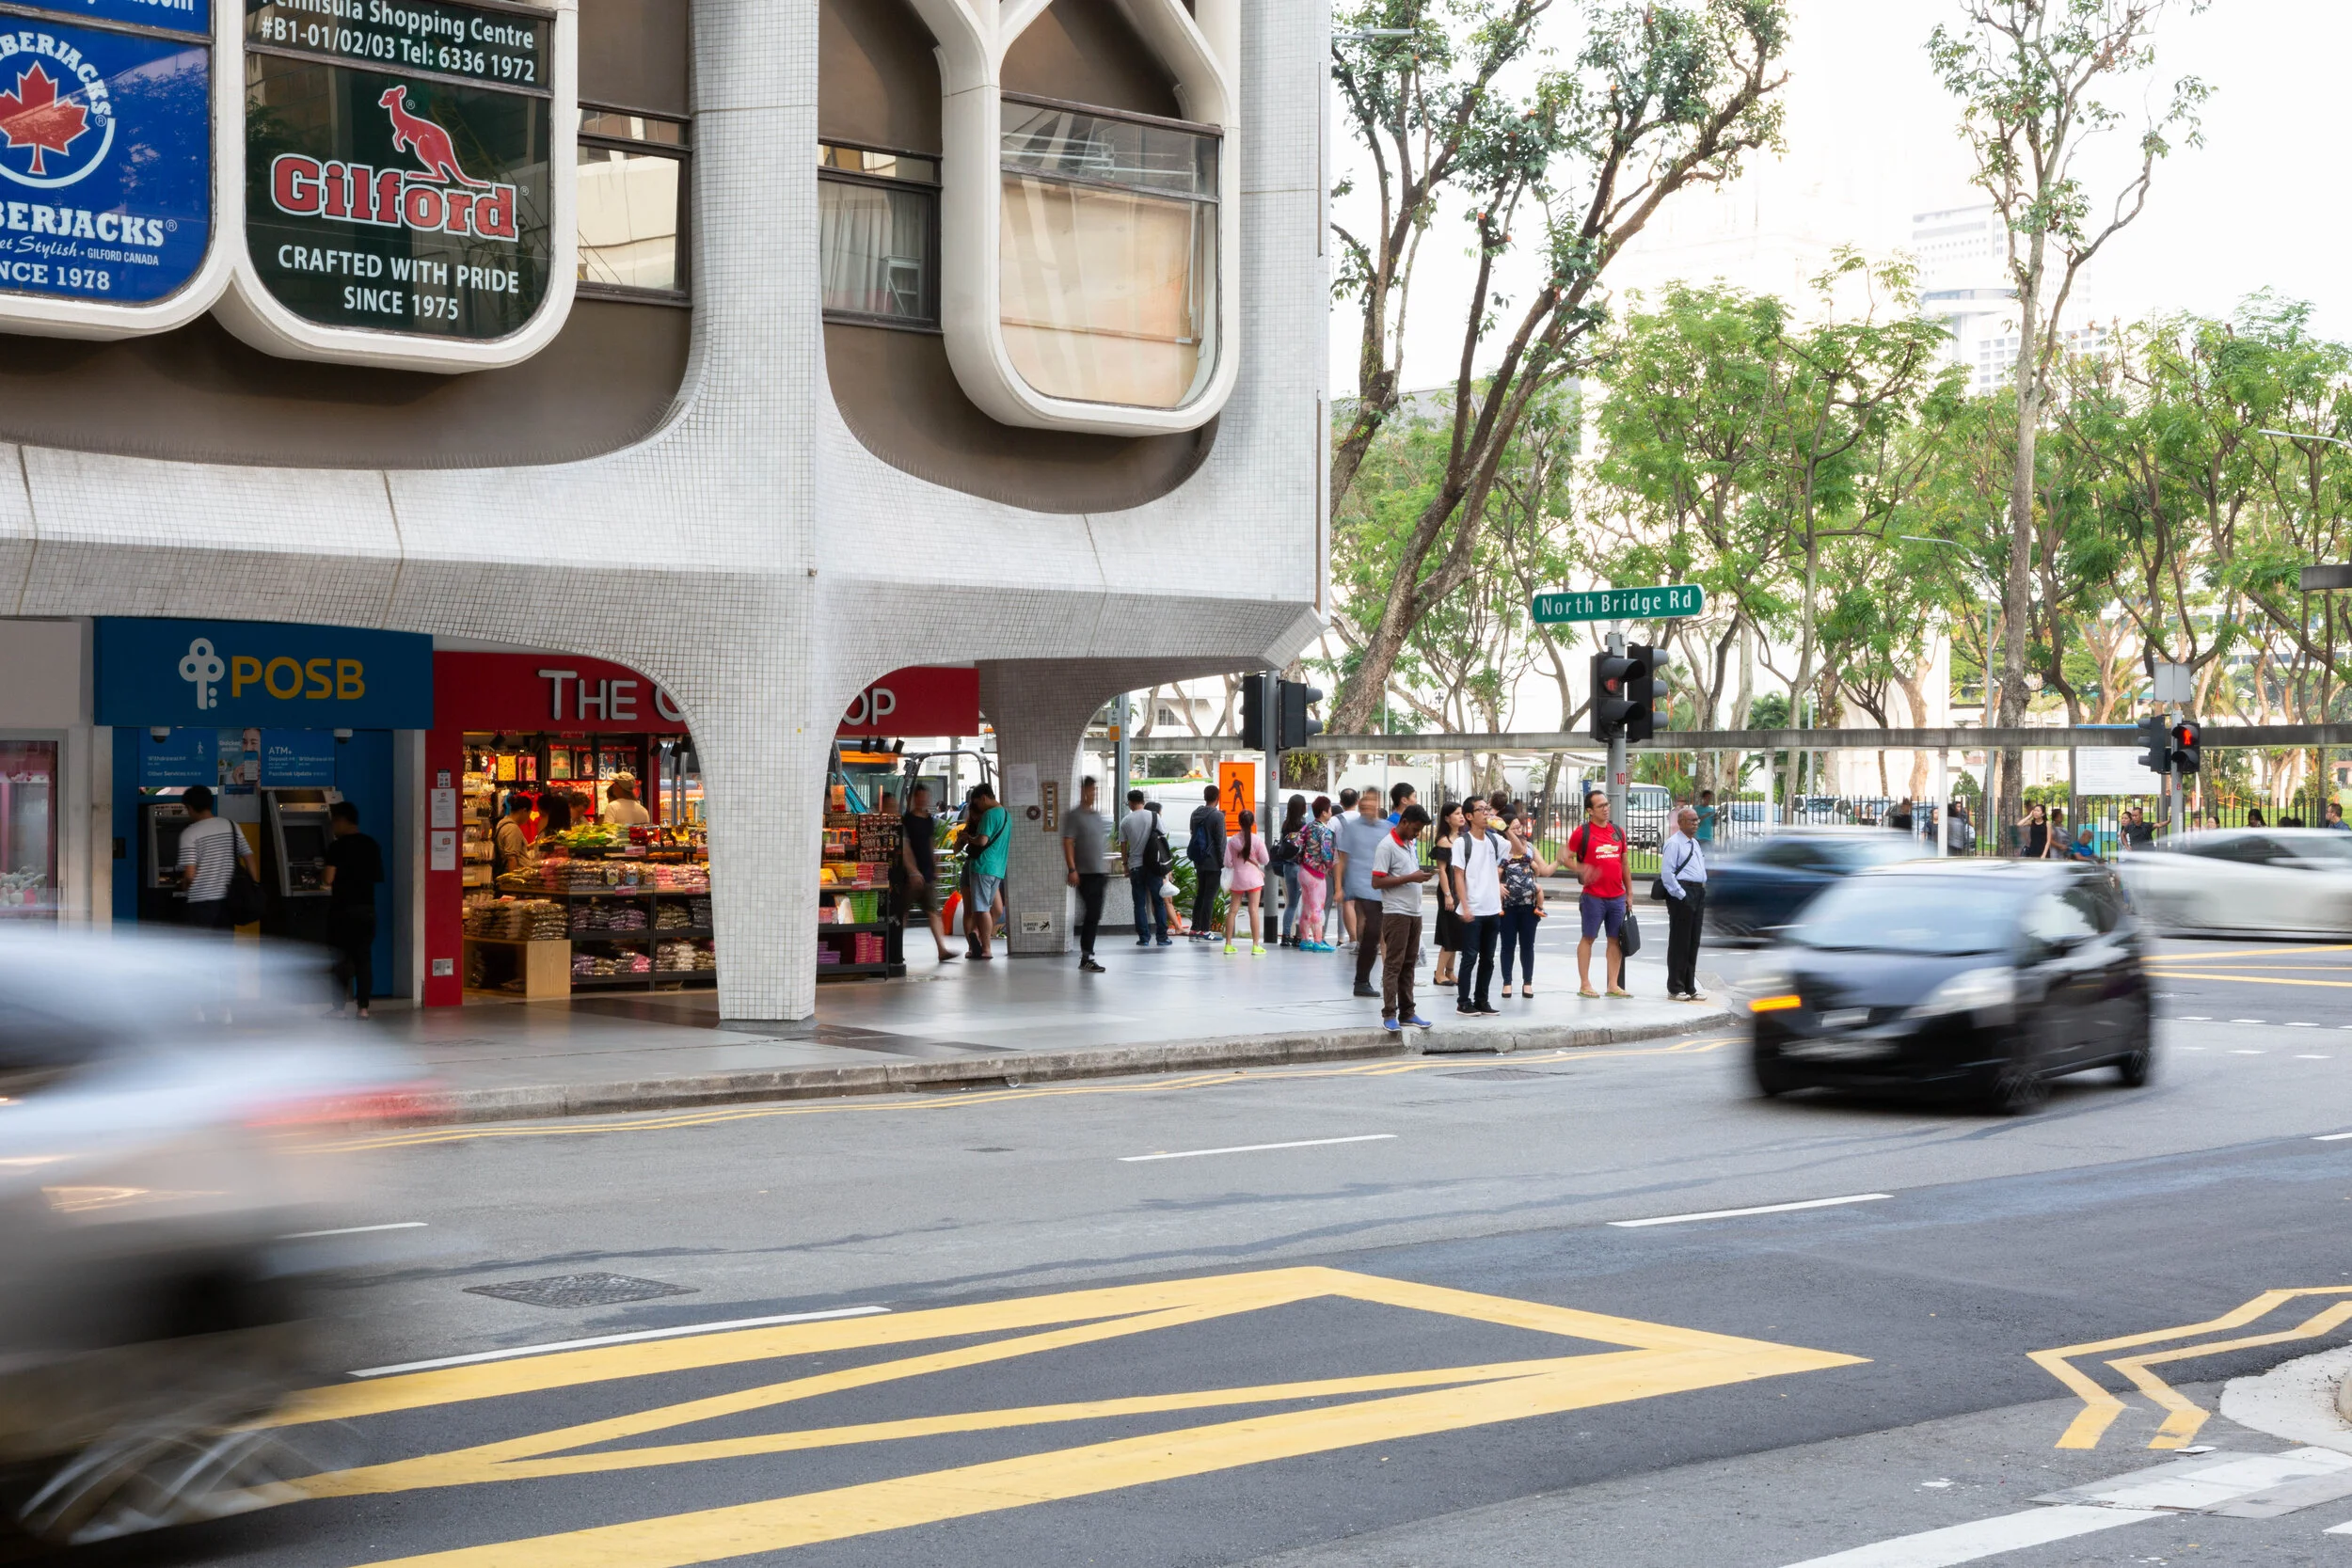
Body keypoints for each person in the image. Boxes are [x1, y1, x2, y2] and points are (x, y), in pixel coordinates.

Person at [1372, 803, 1437, 1032]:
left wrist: (1416, 877)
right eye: (1416, 829)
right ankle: (1390, 1013)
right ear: (1405, 822)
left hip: (1414, 913)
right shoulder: (1386, 846)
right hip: (1396, 913)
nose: (1417, 834)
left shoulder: (1409, 844)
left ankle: (1408, 1012)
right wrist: (1410, 877)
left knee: (1409, 965)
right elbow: (1377, 882)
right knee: (1394, 965)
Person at [321, 800, 384, 1018]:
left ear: (341, 821)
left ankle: (338, 1008)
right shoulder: (371, 844)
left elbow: (328, 878)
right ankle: (363, 1008)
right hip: (366, 910)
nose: (333, 828)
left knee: (340, 960)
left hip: (342, 910)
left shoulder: (337, 847)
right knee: (363, 959)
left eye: (333, 823)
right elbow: (377, 876)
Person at [1567, 791, 1631, 999]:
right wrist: (1581, 868)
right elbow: (1564, 856)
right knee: (1588, 938)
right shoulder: (1582, 832)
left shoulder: (1618, 832)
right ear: (1589, 811)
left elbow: (1624, 864)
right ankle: (1585, 983)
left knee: (1615, 940)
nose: (1606, 808)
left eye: (1607, 804)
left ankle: (1613, 984)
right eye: (1600, 805)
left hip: (1617, 896)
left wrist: (1629, 894)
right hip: (1593, 896)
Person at [1450, 798, 1505, 1015]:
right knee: (1470, 957)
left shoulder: (1494, 840)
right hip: (1473, 909)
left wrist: (1505, 827)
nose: (1486, 813)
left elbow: (1519, 848)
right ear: (1470, 816)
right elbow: (1458, 876)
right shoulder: (1462, 843)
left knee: (1488, 959)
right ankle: (1463, 1001)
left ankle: (1482, 999)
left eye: (1487, 809)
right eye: (1480, 810)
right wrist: (1465, 906)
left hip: (1492, 908)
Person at [1334, 789, 1391, 997]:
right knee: (1374, 927)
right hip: (1360, 886)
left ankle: (1366, 978)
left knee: (1376, 932)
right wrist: (1339, 887)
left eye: (1372, 801)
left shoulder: (1387, 828)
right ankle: (1361, 980)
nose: (1367, 805)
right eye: (1364, 801)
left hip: (1380, 885)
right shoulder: (1351, 828)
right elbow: (1342, 859)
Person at [176, 784, 256, 931]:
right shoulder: (232, 826)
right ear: (210, 804)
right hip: (229, 900)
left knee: (202, 950)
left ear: (189, 807)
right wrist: (254, 885)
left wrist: (183, 885)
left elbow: (190, 875)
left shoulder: (189, 833)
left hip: (201, 903)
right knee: (224, 948)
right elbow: (249, 858)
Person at [898, 782, 954, 962]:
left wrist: (935, 867)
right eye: (919, 796)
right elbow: (905, 847)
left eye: (925, 796)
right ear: (914, 798)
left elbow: (931, 843)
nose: (922, 800)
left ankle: (942, 950)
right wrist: (912, 871)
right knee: (902, 913)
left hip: (927, 873)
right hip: (910, 876)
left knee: (932, 911)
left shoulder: (929, 820)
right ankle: (896, 950)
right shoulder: (906, 820)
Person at [1498, 813, 1550, 998]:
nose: (1518, 831)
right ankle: (1507, 983)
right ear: (1505, 831)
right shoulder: (1501, 850)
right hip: (1508, 907)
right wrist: (1498, 886)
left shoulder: (1529, 849)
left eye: (1519, 827)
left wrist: (1558, 861)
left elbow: (1541, 870)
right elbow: (1493, 873)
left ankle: (1527, 983)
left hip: (1528, 906)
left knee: (1528, 945)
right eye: (1514, 828)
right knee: (1507, 946)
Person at [1660, 805, 1708, 1002]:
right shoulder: (1674, 844)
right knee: (1680, 941)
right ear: (1680, 823)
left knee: (1693, 942)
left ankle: (1690, 986)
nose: (1696, 823)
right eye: (1691, 820)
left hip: (1698, 892)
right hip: (1683, 894)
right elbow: (1667, 874)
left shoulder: (1694, 843)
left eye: (1697, 820)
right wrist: (1681, 895)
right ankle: (1675, 987)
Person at [1062, 776, 1111, 973]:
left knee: (1094, 914)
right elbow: (1067, 842)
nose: (1092, 794)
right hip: (1085, 874)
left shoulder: (1097, 816)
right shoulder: (1074, 816)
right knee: (1092, 913)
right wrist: (1072, 869)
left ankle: (1087, 954)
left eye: (1094, 790)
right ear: (1082, 791)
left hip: (1099, 873)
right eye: (1090, 790)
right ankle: (1086, 956)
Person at [961, 784, 1009, 959]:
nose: (977, 807)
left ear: (983, 798)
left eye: (977, 803)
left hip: (983, 866)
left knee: (981, 909)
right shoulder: (1005, 814)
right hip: (998, 868)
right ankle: (978, 938)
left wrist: (969, 839)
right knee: (987, 908)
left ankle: (986, 948)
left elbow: (982, 841)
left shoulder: (989, 814)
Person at [1120, 789, 1171, 947]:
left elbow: (1123, 846)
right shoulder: (1154, 816)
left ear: (1131, 802)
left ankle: (1144, 938)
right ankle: (1162, 938)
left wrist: (1125, 866)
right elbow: (1163, 837)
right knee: (1159, 902)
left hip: (1136, 867)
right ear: (1142, 800)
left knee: (1139, 904)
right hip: (1154, 866)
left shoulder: (1126, 821)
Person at [1427, 801, 1464, 989]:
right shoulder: (1444, 841)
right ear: (1447, 818)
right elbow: (1442, 871)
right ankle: (1439, 973)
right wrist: (1448, 894)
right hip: (1449, 889)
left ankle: (1450, 971)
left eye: (1462, 813)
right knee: (1449, 933)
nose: (1461, 816)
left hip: (1461, 889)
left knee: (1458, 933)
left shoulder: (1463, 837)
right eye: (1457, 813)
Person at [1223, 808, 1269, 956]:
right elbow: (1265, 860)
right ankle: (1256, 945)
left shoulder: (1232, 841)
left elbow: (1227, 862)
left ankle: (1228, 944)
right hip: (1254, 879)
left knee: (1232, 910)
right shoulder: (1257, 840)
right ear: (1253, 823)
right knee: (1253, 910)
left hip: (1237, 879)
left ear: (1239, 823)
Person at [1295, 796, 1336, 951]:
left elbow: (1298, 844)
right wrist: (1330, 867)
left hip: (1303, 870)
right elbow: (1327, 855)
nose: (1331, 812)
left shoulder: (1307, 827)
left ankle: (1305, 940)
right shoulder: (1325, 831)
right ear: (1324, 812)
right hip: (1316, 874)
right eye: (1330, 809)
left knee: (1306, 906)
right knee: (1317, 907)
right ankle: (1318, 941)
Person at [1186, 784, 1225, 943]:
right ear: (1218, 798)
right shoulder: (1217, 816)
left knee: (1200, 893)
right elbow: (1220, 841)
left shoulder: (1195, 814)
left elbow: (1192, 833)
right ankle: (1206, 930)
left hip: (1199, 860)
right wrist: (1223, 862)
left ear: (1205, 796)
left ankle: (1195, 928)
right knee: (1210, 896)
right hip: (1213, 862)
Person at [1277, 794, 1309, 946]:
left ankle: (1285, 935)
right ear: (1302, 808)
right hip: (1299, 867)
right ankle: (1298, 936)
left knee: (1290, 903)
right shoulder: (1303, 825)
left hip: (1287, 866)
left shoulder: (1285, 824)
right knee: (1300, 903)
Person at [494, 792, 533, 876]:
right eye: (529, 814)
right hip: (519, 876)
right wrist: (513, 882)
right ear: (524, 811)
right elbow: (511, 858)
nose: (528, 818)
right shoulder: (512, 829)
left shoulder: (502, 822)